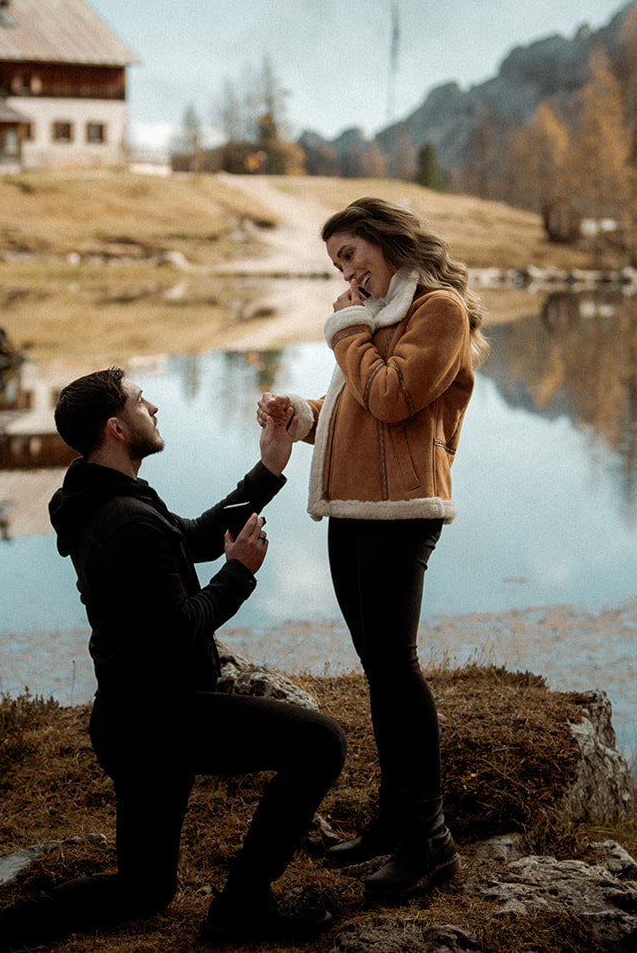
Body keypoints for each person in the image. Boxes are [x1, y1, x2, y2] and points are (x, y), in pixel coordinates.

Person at [0, 367, 346, 952]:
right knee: (322, 743)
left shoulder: (107, 497)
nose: (153, 407)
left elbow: (196, 537)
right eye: (139, 401)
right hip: (161, 722)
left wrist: (270, 467)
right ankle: (242, 905)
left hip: (131, 719)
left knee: (144, 888)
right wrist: (238, 573)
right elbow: (180, 630)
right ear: (116, 427)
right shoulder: (125, 519)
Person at [258, 196, 487, 900]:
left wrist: (346, 329)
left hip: (401, 513)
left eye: (351, 256)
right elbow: (359, 408)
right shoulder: (378, 317)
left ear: (386, 242)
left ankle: (431, 840)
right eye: (337, 265)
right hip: (355, 509)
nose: (347, 275)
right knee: (379, 671)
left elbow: (392, 399)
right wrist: (303, 416)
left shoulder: (438, 310)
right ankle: (393, 822)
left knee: (396, 669)